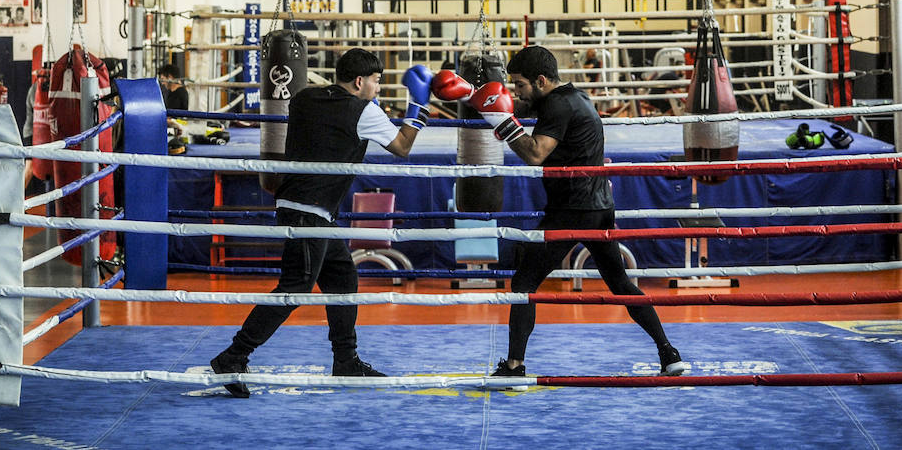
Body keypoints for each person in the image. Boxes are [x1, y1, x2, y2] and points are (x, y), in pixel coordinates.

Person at [432, 45, 689, 378]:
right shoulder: (575, 97)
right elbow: (538, 122)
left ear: (540, 81)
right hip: (599, 206)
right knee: (619, 282)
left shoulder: (556, 106)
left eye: (521, 85)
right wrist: (473, 92)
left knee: (525, 281)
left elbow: (536, 153)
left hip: (572, 210)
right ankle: (669, 353)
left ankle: (514, 366)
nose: (516, 92)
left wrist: (501, 119)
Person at [209, 50, 431, 397]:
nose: (377, 88)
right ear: (359, 81)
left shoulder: (303, 98)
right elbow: (402, 146)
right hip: (310, 211)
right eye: (375, 81)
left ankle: (346, 361)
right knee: (294, 288)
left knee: (342, 278)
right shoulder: (364, 110)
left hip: (298, 203)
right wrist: (420, 106)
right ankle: (233, 356)